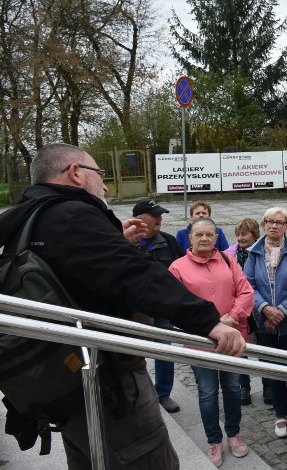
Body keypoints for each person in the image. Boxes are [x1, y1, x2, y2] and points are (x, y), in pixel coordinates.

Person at [0, 143, 245, 470]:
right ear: (75, 172)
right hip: (108, 385)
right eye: (99, 174)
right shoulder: (71, 214)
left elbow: (77, 272)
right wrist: (207, 321)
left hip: (64, 382)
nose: (104, 185)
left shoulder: (29, 217)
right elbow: (136, 274)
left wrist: (114, 237)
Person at [168, 218, 254, 467]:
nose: (205, 239)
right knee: (207, 393)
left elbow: (245, 292)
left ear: (217, 237)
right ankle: (214, 440)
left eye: (210, 234)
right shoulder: (177, 268)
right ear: (190, 238)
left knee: (233, 388)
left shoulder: (228, 261)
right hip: (200, 343)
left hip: (232, 338)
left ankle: (234, 434)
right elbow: (176, 306)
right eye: (199, 235)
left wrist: (231, 317)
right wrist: (208, 327)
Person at [243, 207, 287, 438]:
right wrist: (265, 309)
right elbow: (247, 285)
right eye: (270, 222)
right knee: (273, 370)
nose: (274, 226)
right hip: (264, 323)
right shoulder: (254, 252)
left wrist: (281, 310)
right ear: (263, 225)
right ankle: (281, 413)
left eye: (279, 222)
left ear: (286, 226)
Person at [131, 199, 183, 414]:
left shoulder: (169, 241)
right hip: (133, 312)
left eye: (160, 215)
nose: (160, 219)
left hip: (162, 310)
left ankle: (163, 393)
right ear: (140, 220)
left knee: (165, 352)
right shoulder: (124, 241)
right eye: (155, 216)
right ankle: (136, 393)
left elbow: (181, 271)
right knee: (132, 355)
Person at [224, 218, 261, 405]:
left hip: (258, 309)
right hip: (239, 307)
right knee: (241, 348)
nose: (240, 238)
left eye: (244, 234)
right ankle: (243, 386)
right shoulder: (228, 255)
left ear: (255, 234)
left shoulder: (262, 252)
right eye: (238, 234)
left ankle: (268, 385)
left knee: (262, 347)